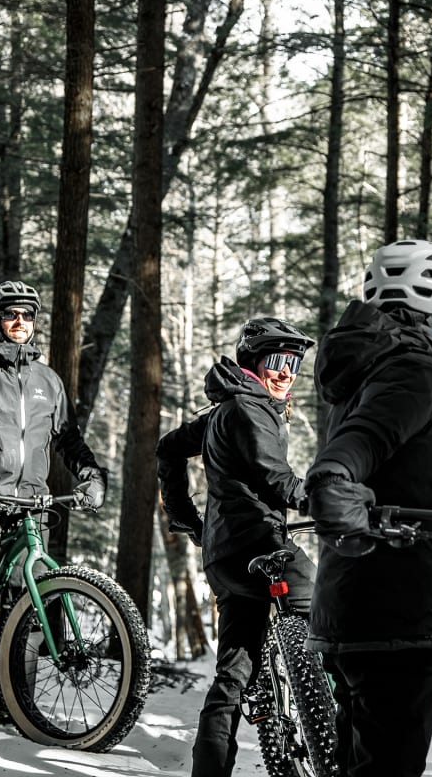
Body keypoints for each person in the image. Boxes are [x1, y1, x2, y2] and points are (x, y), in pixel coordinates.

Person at [304, 239, 432, 777]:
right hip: (394, 622)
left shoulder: (368, 370)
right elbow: (353, 451)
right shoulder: (415, 371)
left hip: (353, 613)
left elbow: (418, 503)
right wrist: (333, 478)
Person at [0, 280, 107, 719]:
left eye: (27, 315)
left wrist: (90, 473)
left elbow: (67, 438)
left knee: (25, 615)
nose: (20, 322)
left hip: (33, 508)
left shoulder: (48, 380)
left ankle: (14, 713)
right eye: (11, 314)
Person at [156, 317, 316, 777]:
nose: (287, 371)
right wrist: (331, 499)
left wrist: (186, 518)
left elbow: (168, 448)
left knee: (232, 675)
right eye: (277, 360)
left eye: (294, 362)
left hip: (224, 556)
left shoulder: (227, 407)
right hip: (262, 546)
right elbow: (277, 477)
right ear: (253, 362)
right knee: (333, 622)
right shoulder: (248, 408)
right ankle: (335, 741)